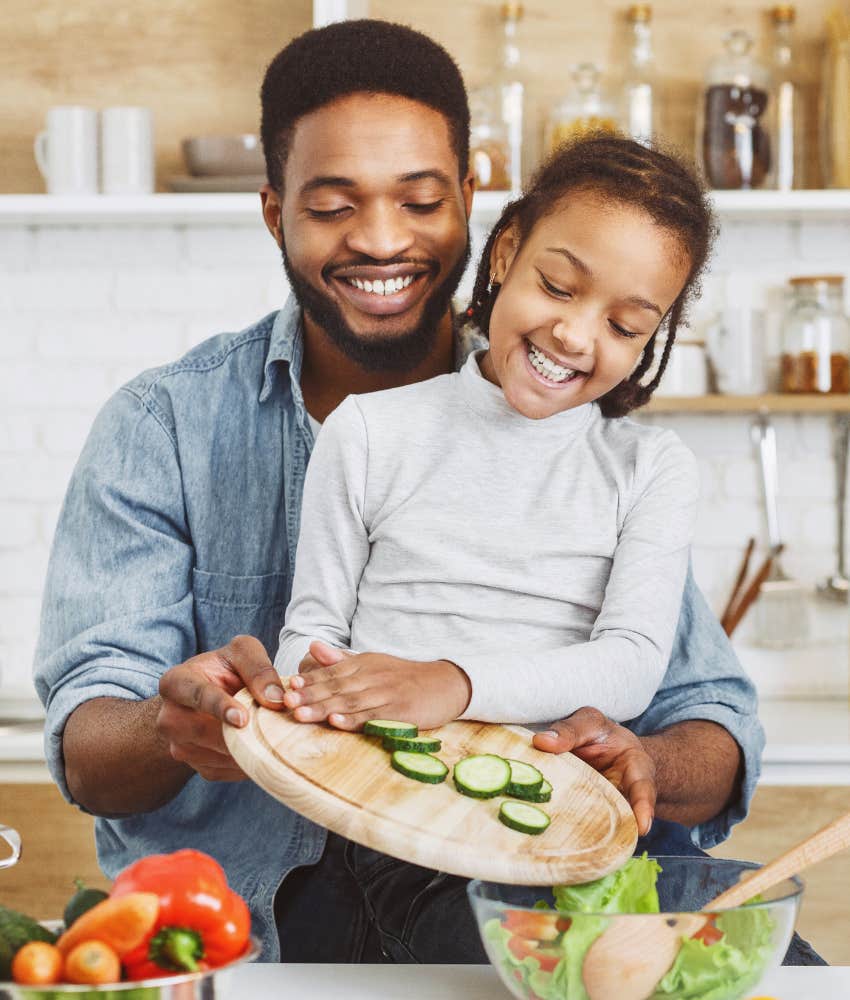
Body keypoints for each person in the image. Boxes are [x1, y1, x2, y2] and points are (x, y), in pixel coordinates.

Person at [32, 19, 818, 965]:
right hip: (259, 930)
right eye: (332, 206)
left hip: (518, 877)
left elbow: (709, 721)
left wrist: (645, 760)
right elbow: (88, 745)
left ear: (475, 206)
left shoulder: (618, 462)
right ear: (274, 210)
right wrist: (175, 722)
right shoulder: (166, 427)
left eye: (419, 199)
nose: (381, 240)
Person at [275, 134, 704, 743]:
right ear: (505, 252)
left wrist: (453, 684)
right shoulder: (368, 431)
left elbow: (631, 668)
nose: (577, 336)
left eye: (623, 325)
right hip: (371, 786)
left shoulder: (652, 468)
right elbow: (308, 639)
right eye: (557, 286)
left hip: (547, 807)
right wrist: (324, 689)